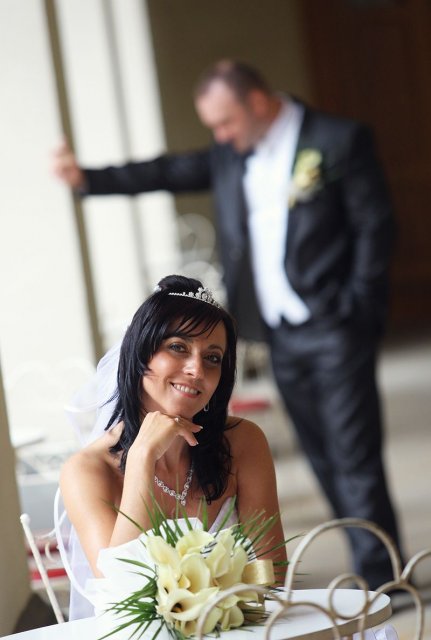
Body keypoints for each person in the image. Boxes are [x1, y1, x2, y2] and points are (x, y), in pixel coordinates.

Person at [53, 60, 402, 589]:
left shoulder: (337, 141)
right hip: (278, 330)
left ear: (256, 102)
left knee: (354, 451)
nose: (219, 135)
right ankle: (367, 555)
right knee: (321, 452)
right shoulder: (232, 151)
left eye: (224, 122)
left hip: (335, 322)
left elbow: (375, 226)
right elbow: (167, 171)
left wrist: (357, 307)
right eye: (178, 349)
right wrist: (88, 180)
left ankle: (379, 571)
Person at [60, 274, 286, 619]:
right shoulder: (86, 471)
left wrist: (214, 611)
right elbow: (120, 596)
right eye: (178, 347)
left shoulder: (244, 442)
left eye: (213, 358)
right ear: (141, 353)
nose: (197, 369)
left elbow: (274, 577)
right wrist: (141, 458)